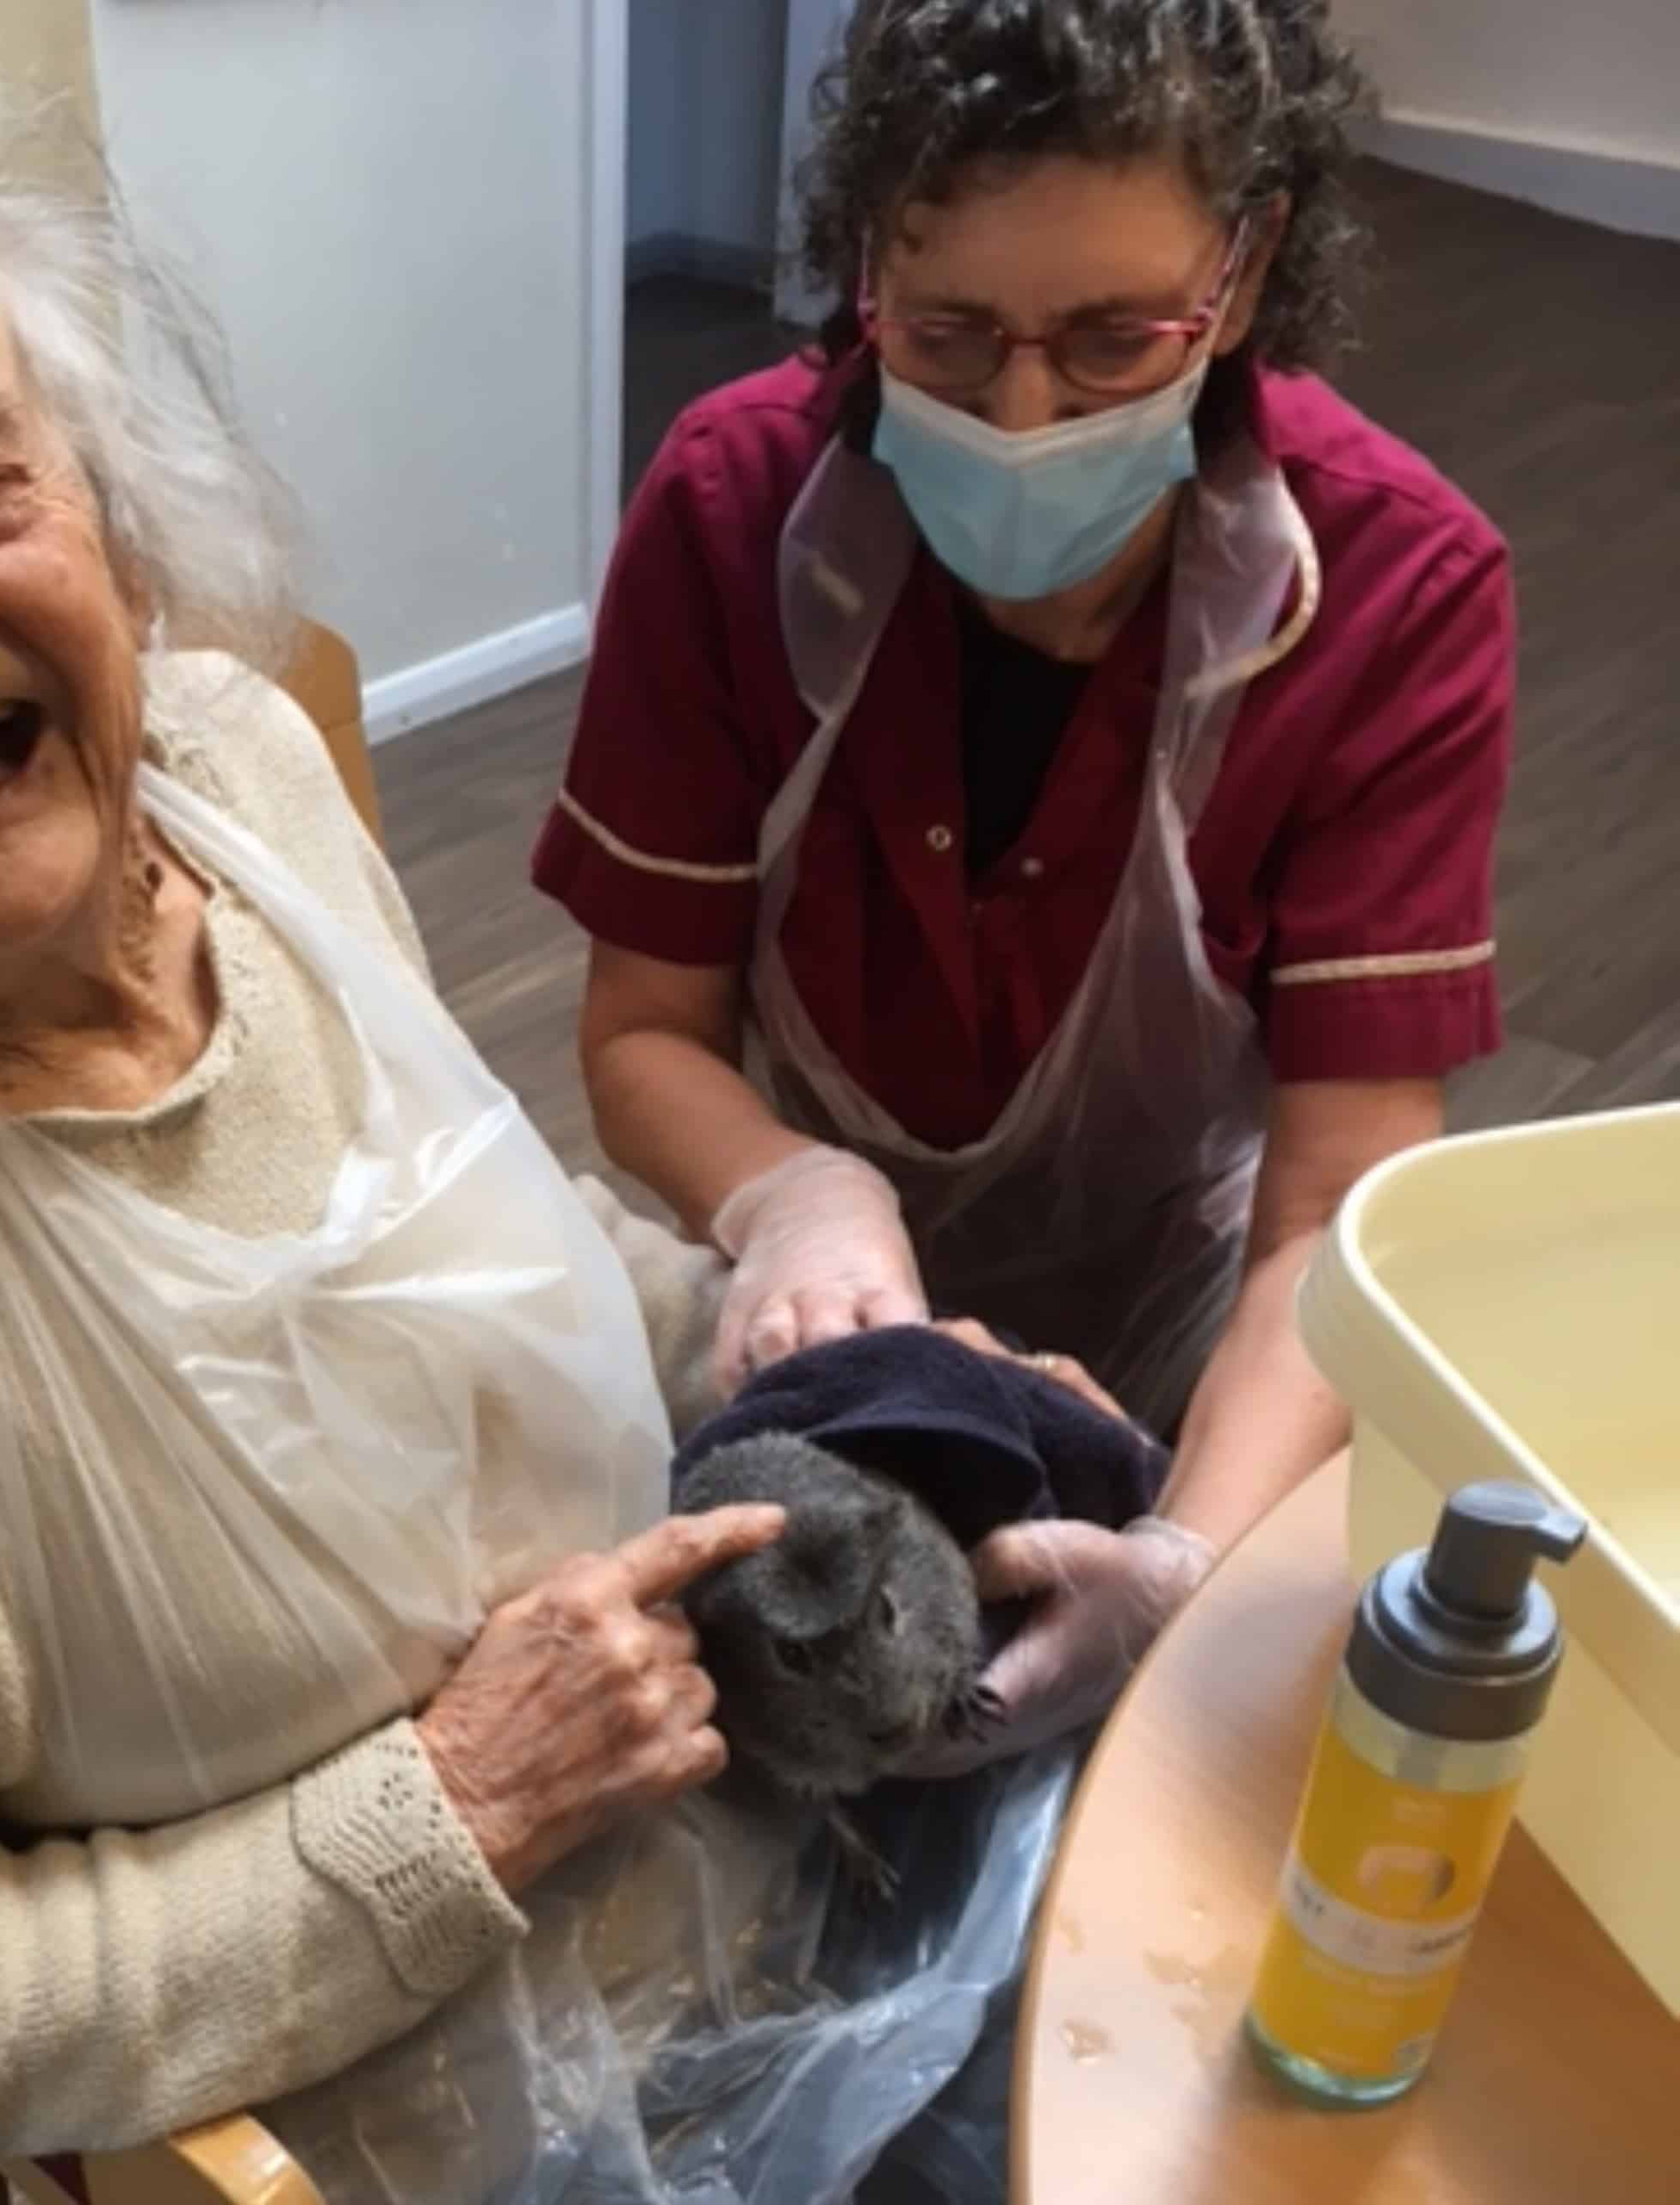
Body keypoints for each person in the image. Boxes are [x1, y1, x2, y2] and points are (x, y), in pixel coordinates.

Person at [0, 70, 838, 2184]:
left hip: (764, 1879)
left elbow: (457, 1245)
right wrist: (453, 1804)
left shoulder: (249, 774)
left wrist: (801, 1346)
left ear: (112, 521)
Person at [535, 0, 1513, 1762]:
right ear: (859, 261)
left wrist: (1185, 1554)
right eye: (948, 329)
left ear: (1246, 261)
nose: (1020, 408)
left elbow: (1333, 1215)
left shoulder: (1391, 584)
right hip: (811, 1303)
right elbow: (642, 1030)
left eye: (1114, 339)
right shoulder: (730, 506)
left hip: (1189, 1311)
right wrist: (798, 1200)